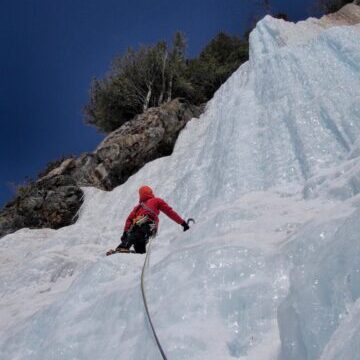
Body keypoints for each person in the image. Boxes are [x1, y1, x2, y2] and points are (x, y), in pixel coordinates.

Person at [115, 185, 190, 254]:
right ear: (150, 192)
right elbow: (169, 212)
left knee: (135, 230)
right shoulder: (156, 200)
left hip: (142, 222)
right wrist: (183, 223)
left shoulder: (138, 207)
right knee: (140, 241)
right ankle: (139, 252)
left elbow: (129, 220)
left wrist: (125, 232)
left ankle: (123, 246)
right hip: (151, 226)